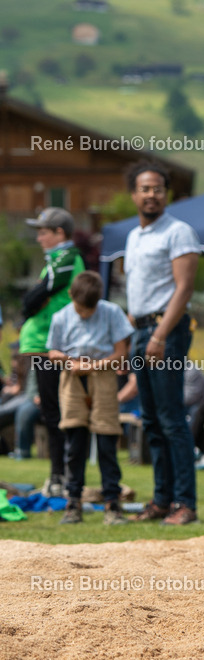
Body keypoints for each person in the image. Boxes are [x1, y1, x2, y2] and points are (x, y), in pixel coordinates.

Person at [124, 161, 202, 526]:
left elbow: (183, 289)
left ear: (166, 193)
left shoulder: (179, 231)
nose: (151, 194)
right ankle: (161, 500)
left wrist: (158, 335)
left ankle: (185, 503)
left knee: (171, 419)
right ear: (133, 194)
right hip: (141, 329)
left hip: (164, 331)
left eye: (157, 188)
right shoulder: (134, 236)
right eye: (144, 188)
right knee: (151, 419)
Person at [46, 271, 135, 525]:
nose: (86, 313)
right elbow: (52, 351)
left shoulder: (111, 312)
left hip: (103, 377)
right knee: (74, 444)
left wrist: (93, 365)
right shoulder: (61, 316)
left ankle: (112, 504)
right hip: (73, 379)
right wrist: (67, 360)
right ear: (70, 296)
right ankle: (73, 503)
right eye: (81, 308)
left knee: (107, 441)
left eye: (90, 308)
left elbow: (120, 354)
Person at [21, 207, 85, 497]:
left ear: (60, 233)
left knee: (59, 413)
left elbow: (37, 295)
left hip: (54, 347)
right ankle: (59, 475)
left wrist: (29, 303)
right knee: (51, 413)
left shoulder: (67, 258)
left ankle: (63, 477)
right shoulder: (55, 259)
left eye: (43, 231)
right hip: (45, 346)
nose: (39, 238)